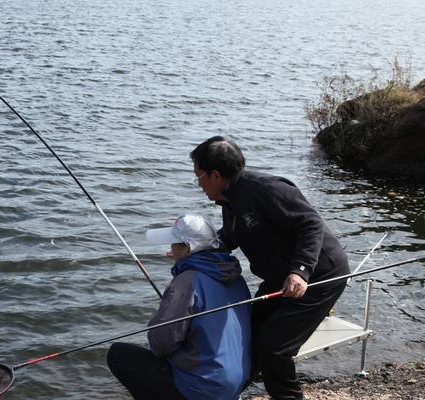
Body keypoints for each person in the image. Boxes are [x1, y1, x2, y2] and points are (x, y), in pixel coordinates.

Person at [190, 136, 350, 400]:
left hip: (319, 275)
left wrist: (300, 271)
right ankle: (226, 392)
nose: (198, 184)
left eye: (199, 176)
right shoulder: (230, 201)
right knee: (247, 333)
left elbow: (310, 224)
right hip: (279, 276)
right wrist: (193, 249)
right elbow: (230, 237)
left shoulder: (266, 189)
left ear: (215, 175)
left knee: (274, 348)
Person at [107, 214, 252, 400]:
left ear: (187, 248)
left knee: (118, 354)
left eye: (174, 244)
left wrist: (163, 312)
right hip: (233, 384)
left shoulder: (187, 282)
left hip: (203, 390)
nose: (170, 248)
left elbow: (160, 344)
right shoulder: (236, 278)